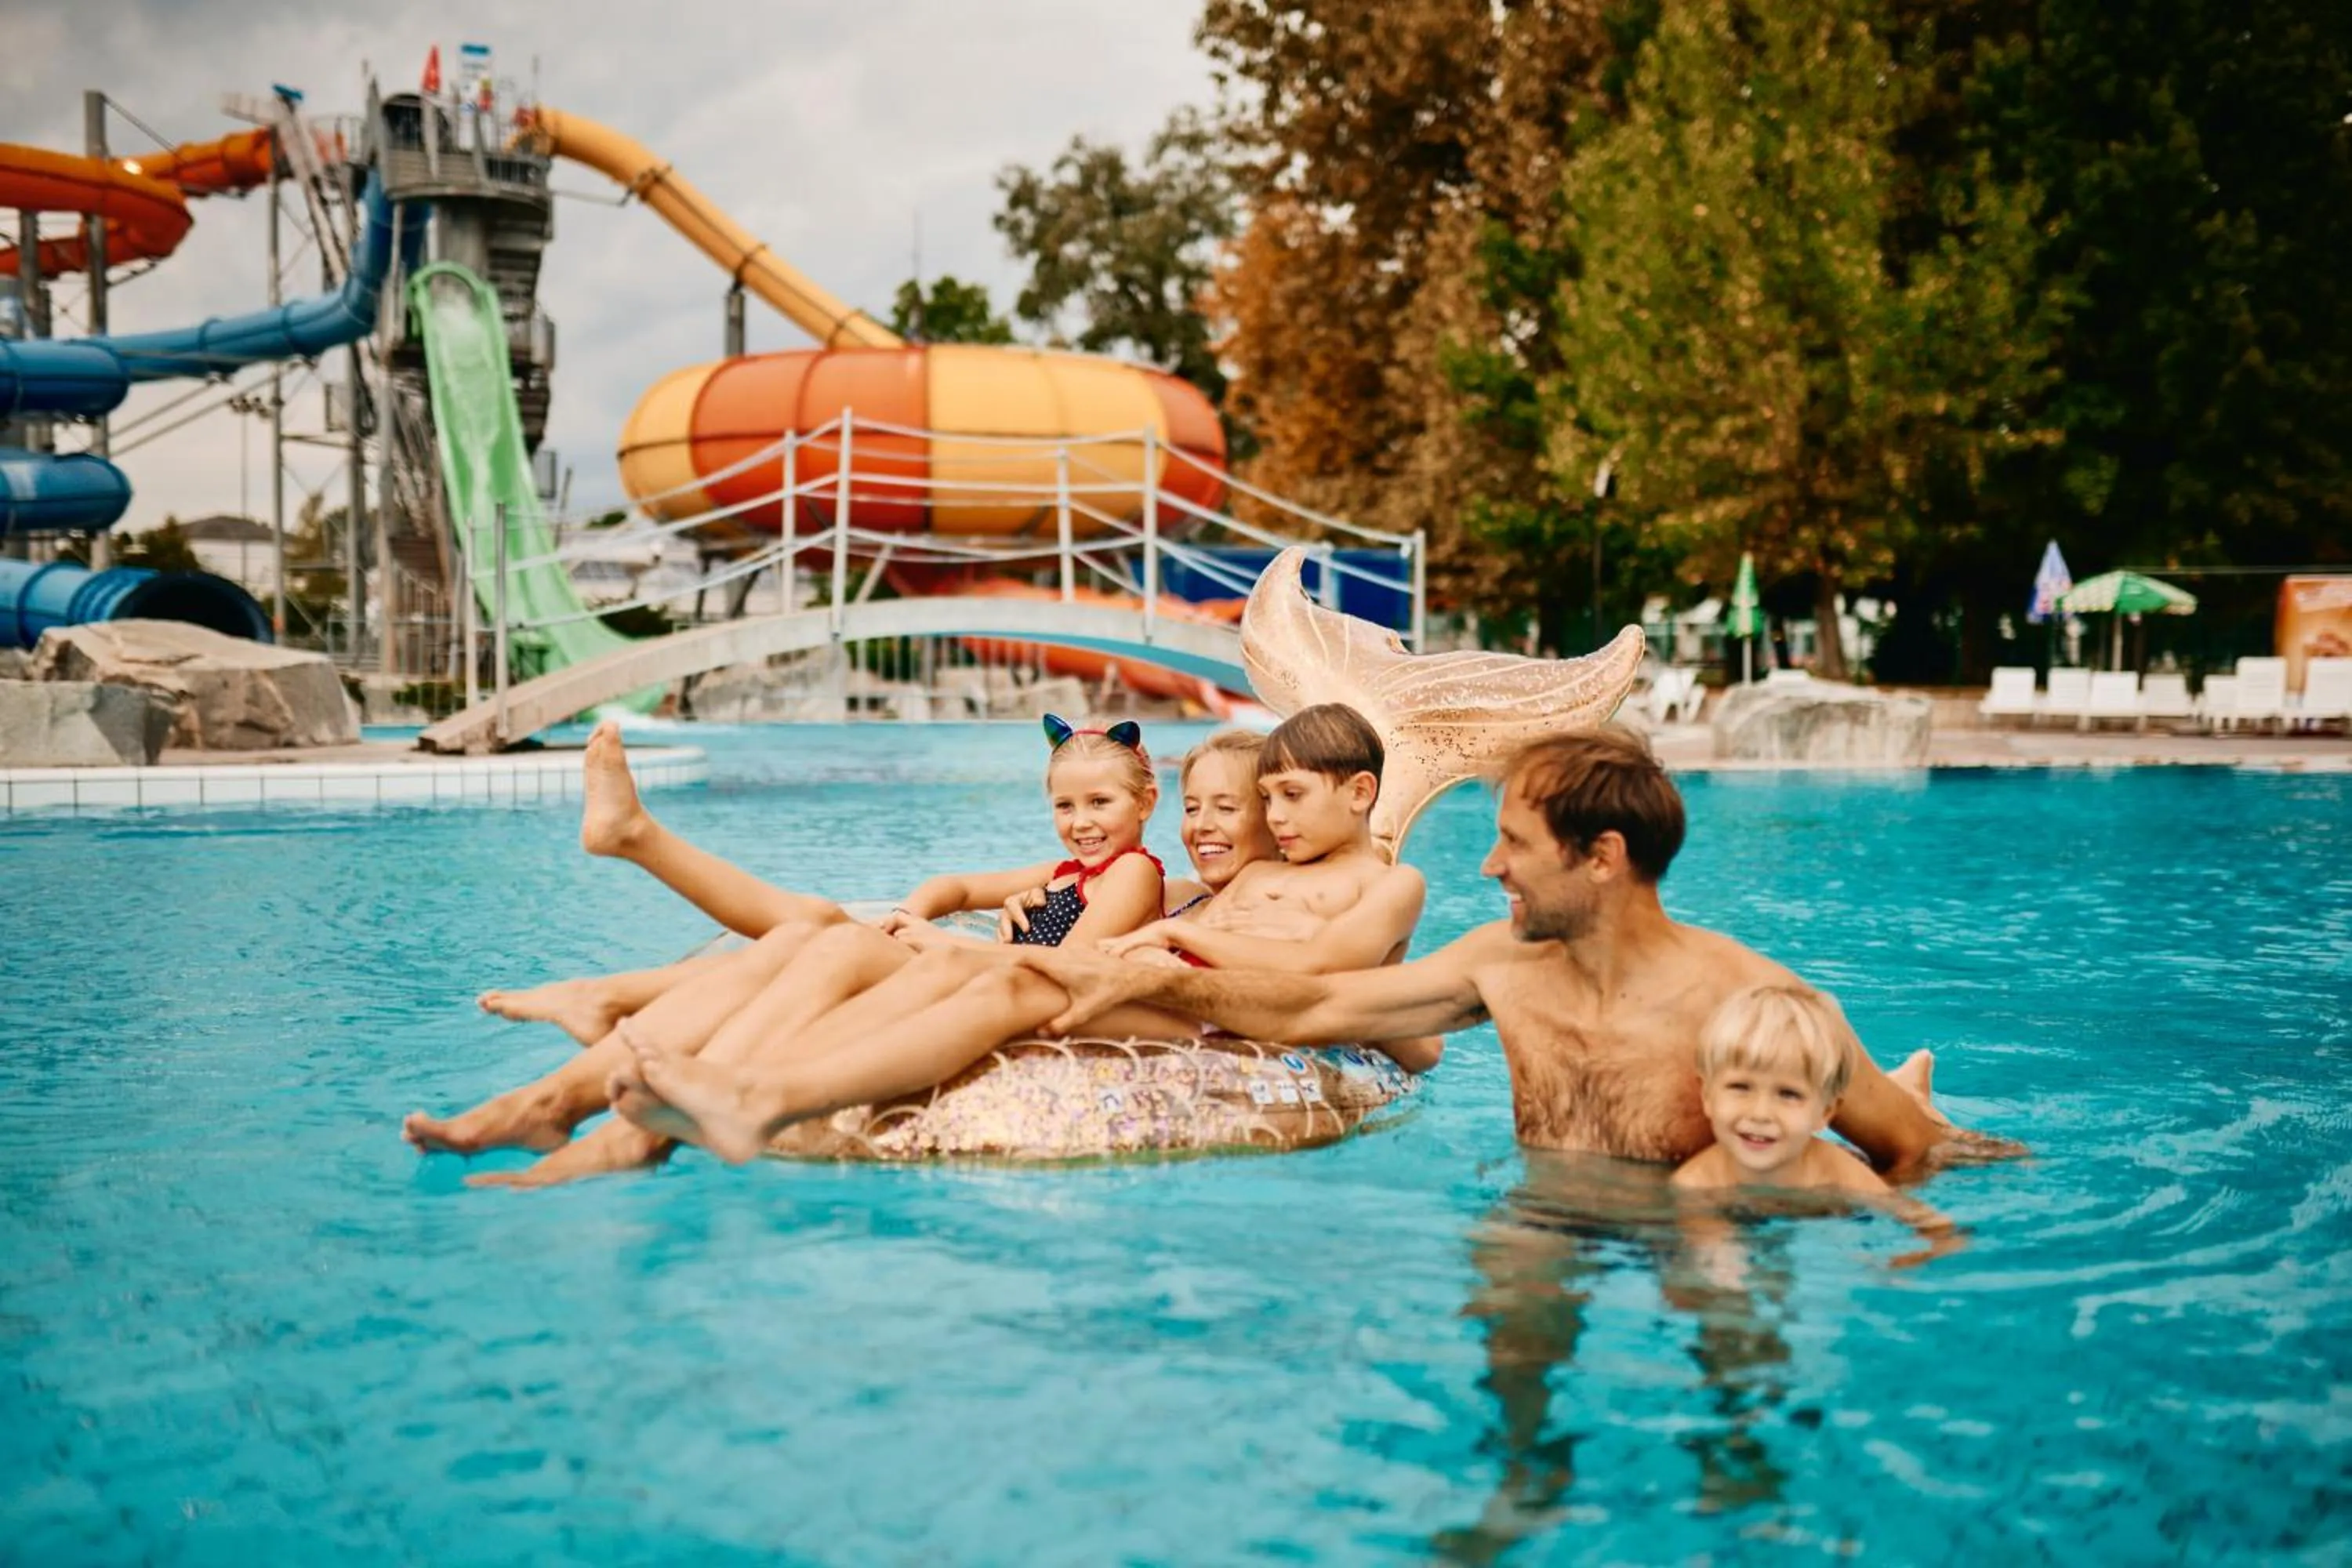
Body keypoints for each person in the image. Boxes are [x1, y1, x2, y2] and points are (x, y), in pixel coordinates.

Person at [1011, 725, 2013, 1174]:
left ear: (1604, 857)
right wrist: (1116, 973)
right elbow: (1314, 1012)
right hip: (1536, 1228)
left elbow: (1915, 1153)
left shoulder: (1756, 998)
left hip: (1685, 1242)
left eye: (1516, 844)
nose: (1490, 866)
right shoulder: (1501, 962)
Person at [604, 702, 1435, 1163]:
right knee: (850, 938)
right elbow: (1185, 909)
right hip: (1168, 986)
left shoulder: (1392, 880)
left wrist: (1175, 946)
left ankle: (764, 1093)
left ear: (1360, 792)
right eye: (1268, 800)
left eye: (1281, 799)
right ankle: (733, 1079)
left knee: (1000, 979)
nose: (1272, 818)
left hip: (1218, 1008)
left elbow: (1329, 968)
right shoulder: (1253, 875)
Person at [401, 713, 1168, 1167]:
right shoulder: (1067, 868)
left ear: (1146, 801)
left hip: (986, 984)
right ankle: (613, 925)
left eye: (1100, 801)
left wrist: (932, 944)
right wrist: (917, 908)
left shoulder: (1133, 871)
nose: (1081, 821)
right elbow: (960, 885)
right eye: (1065, 805)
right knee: (811, 928)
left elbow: (1071, 966)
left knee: (811, 925)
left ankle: (635, 852)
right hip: (953, 963)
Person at [1668, 985, 1893, 1196]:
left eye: (1788, 1094)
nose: (1760, 1114)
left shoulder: (1839, 1173)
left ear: (1825, 1112)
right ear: (1707, 1096)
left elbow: (1911, 1218)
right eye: (1740, 1087)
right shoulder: (1697, 1185)